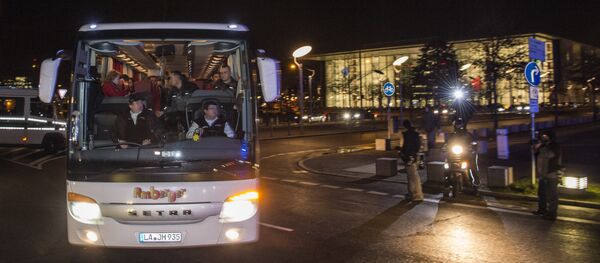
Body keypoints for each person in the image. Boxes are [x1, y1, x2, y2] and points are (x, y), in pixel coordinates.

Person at [533, 130, 562, 220]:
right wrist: (536, 147)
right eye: (543, 136)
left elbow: (549, 155)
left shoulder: (555, 146)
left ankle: (552, 214)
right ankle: (542, 210)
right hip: (542, 173)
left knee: (552, 195)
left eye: (545, 136)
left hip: (551, 173)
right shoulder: (543, 146)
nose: (543, 138)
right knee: (541, 193)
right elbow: (537, 156)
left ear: (550, 137)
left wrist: (541, 146)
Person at [400, 120, 423, 201]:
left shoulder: (407, 135)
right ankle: (413, 193)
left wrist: (402, 153)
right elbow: (418, 146)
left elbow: (405, 146)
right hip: (413, 156)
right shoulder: (415, 134)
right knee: (414, 176)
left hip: (409, 157)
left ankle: (415, 195)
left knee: (412, 176)